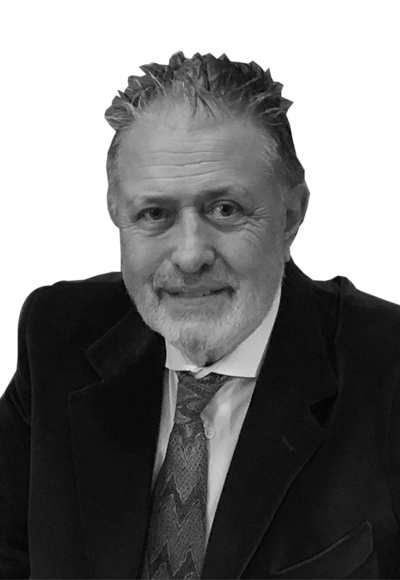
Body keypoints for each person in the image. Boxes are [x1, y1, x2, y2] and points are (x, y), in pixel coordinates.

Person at [1, 51, 399, 580]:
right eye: (155, 213)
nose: (190, 256)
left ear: (291, 215)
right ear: (117, 214)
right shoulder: (58, 336)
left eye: (225, 209)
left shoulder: (387, 368)